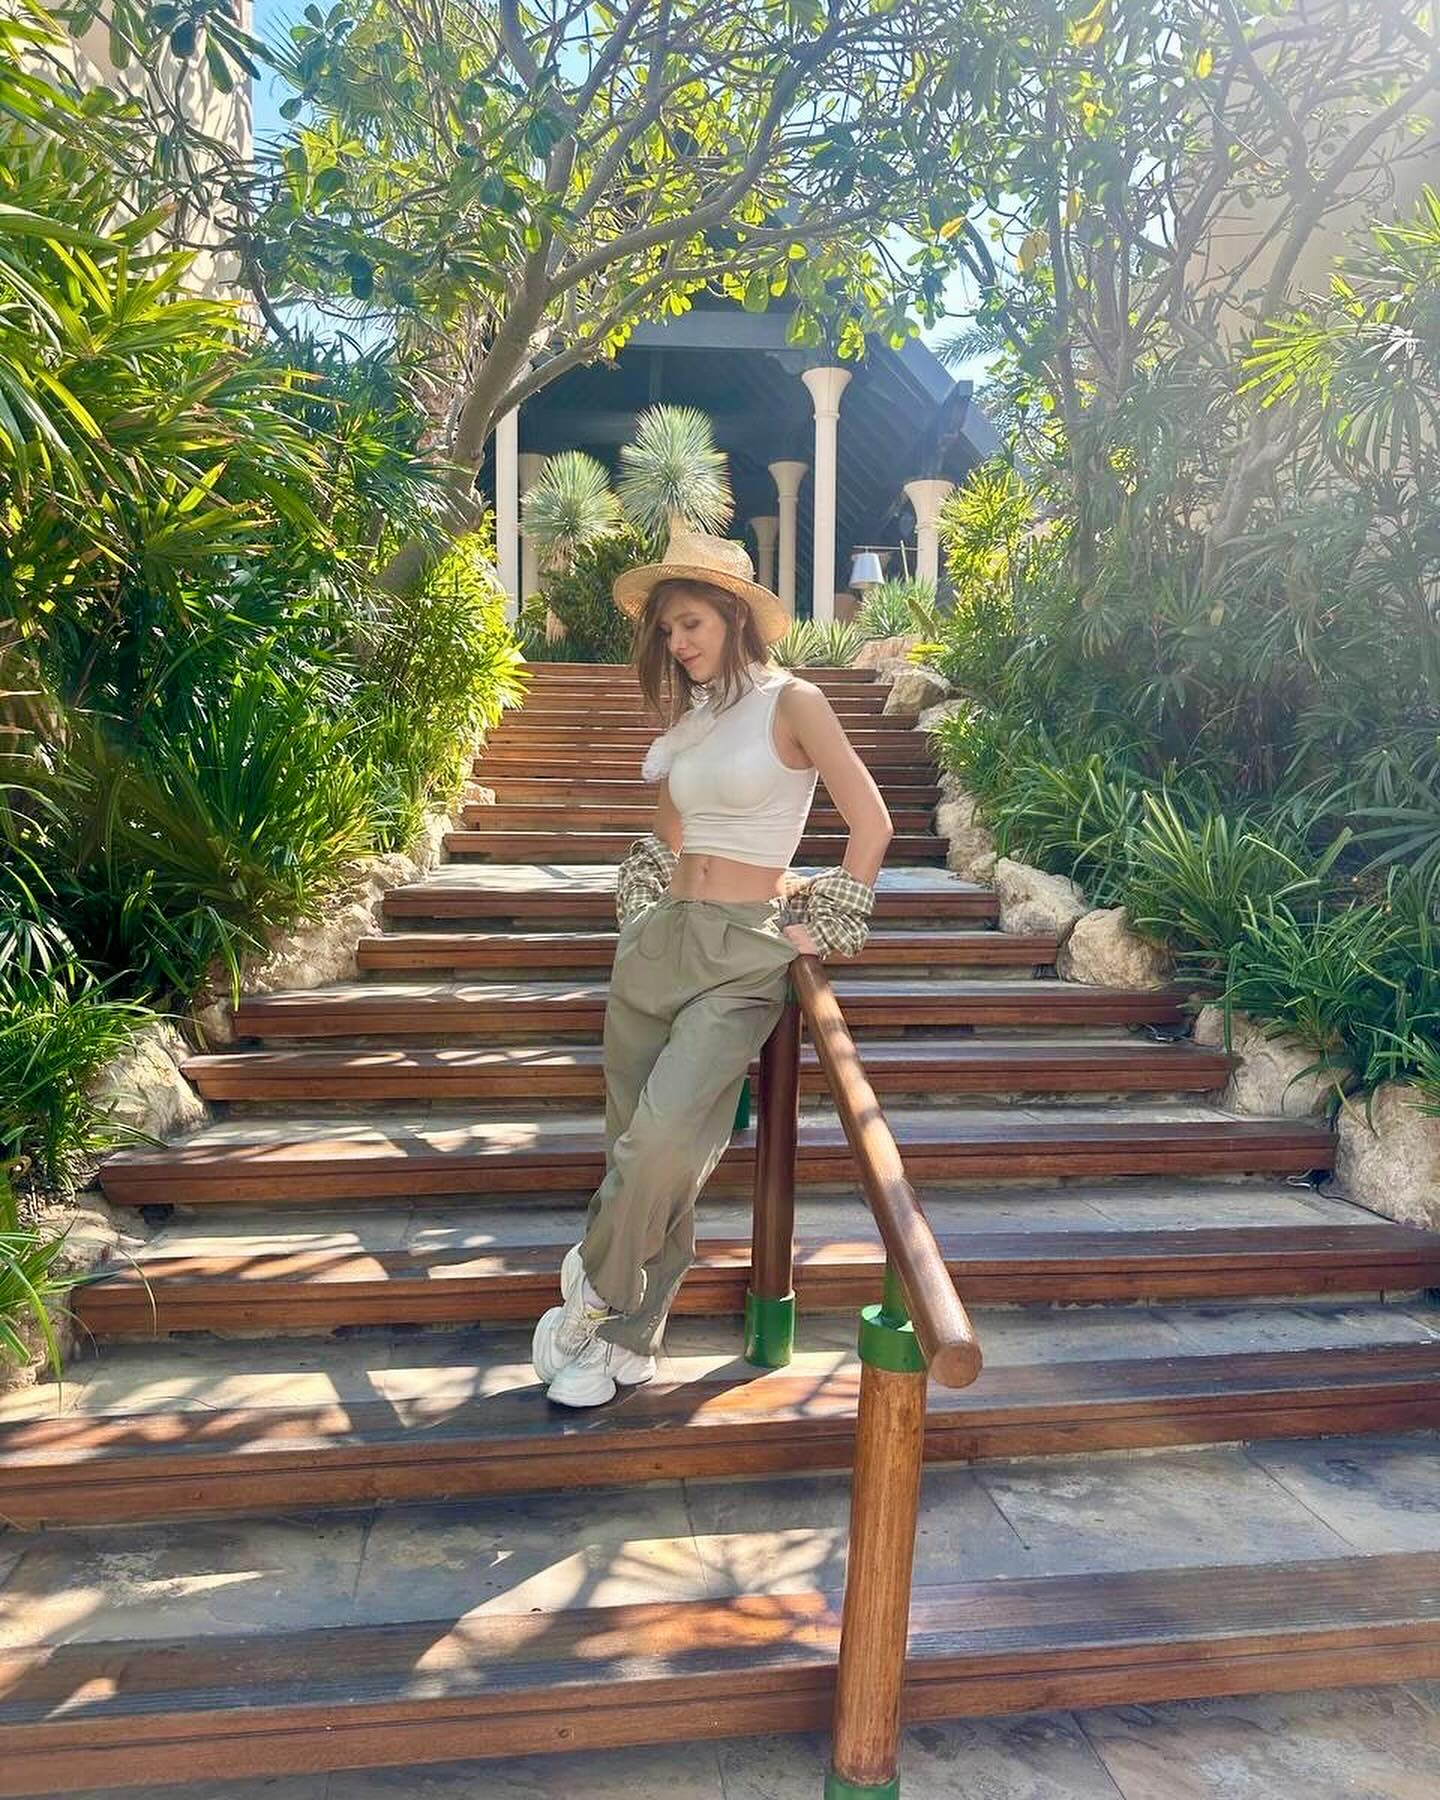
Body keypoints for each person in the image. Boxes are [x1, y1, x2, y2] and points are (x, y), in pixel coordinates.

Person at [530, 525, 895, 1407]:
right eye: (666, 631)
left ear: (735, 616)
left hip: (741, 953)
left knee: (663, 1140)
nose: (677, 643)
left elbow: (872, 821)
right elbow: (668, 832)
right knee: (643, 1148)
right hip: (659, 945)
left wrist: (830, 919)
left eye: (690, 623)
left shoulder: (795, 701)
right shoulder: (692, 721)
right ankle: (628, 1342)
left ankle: (595, 1287)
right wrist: (641, 912)